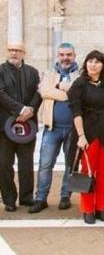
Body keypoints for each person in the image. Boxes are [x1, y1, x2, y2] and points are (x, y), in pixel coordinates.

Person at [67, 50, 104, 224]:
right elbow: (76, 112)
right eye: (90, 61)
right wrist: (81, 136)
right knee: (87, 171)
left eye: (97, 62)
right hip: (87, 133)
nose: (93, 64)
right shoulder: (79, 84)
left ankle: (100, 208)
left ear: (103, 65)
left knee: (103, 171)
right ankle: (88, 209)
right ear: (85, 63)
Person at [30, 43, 80, 213]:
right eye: (62, 54)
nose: (65, 58)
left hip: (73, 129)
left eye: (69, 54)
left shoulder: (80, 75)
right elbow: (44, 92)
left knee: (69, 164)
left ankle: (65, 196)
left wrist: (57, 89)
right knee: (45, 164)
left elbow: (79, 94)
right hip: (52, 128)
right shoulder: (49, 74)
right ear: (57, 56)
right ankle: (41, 198)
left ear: (74, 55)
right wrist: (66, 92)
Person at [0, 42, 42, 212]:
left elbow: (38, 93)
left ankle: (26, 197)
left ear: (24, 53)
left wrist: (30, 110)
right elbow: (0, 93)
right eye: (11, 50)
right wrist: (20, 109)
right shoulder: (0, 70)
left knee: (26, 163)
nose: (14, 53)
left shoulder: (33, 72)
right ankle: (9, 199)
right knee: (3, 163)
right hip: (4, 125)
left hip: (28, 125)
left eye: (17, 50)